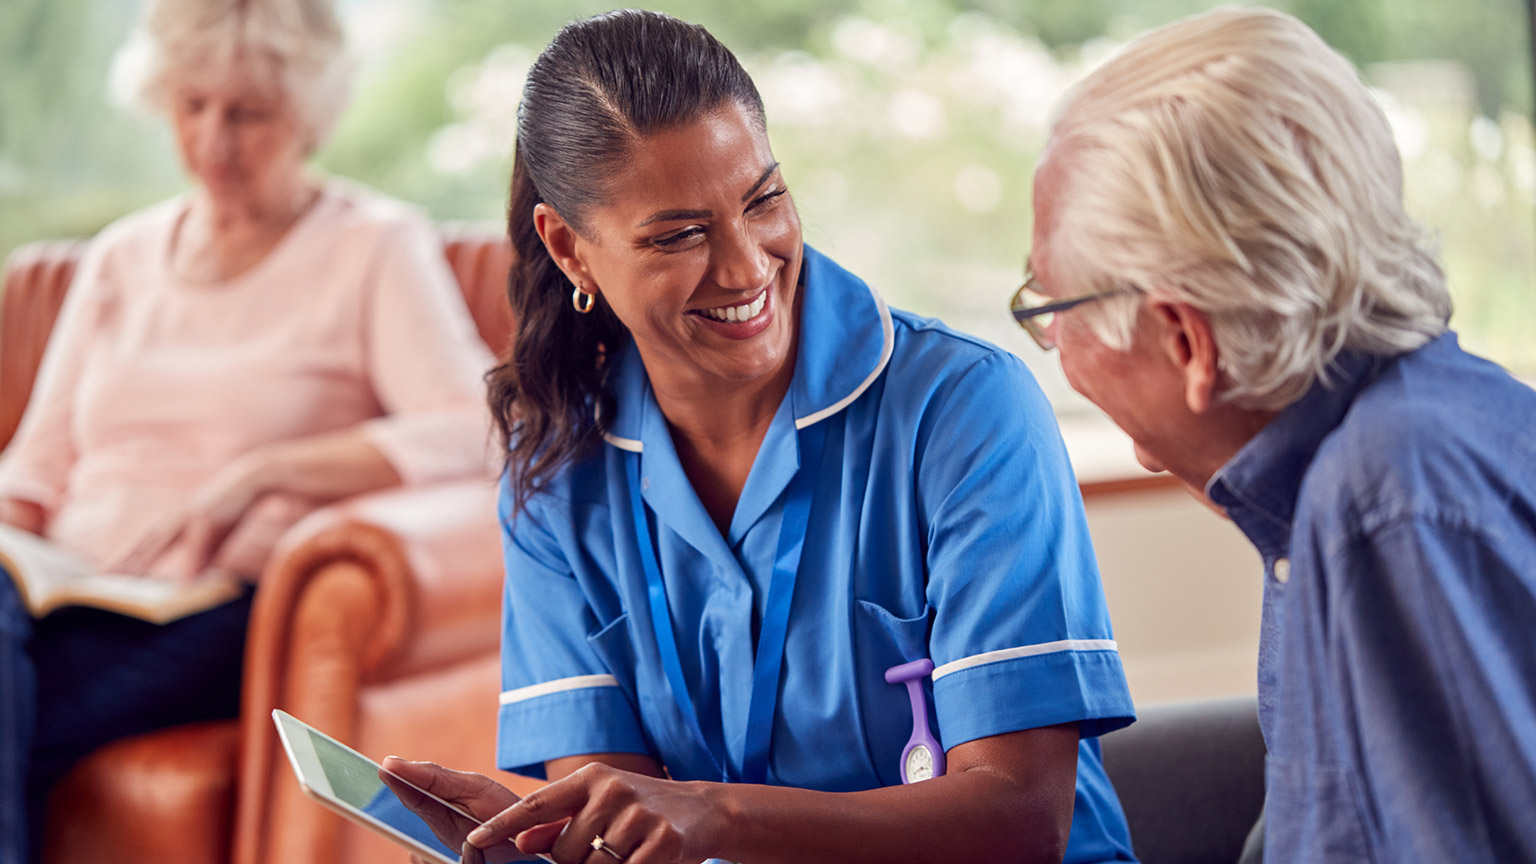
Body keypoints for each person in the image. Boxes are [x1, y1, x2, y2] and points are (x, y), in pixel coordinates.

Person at [386, 9, 1139, 864]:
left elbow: (1022, 819)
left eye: (763, 200)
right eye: (679, 235)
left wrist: (720, 816)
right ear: (571, 250)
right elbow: (622, 838)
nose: (747, 266)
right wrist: (541, 843)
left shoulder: (966, 410)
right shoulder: (557, 475)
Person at [1012, 7, 1536, 862]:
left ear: (1188, 343)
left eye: (1050, 305)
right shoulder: (1376, 456)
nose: (1051, 343)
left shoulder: (1384, 500)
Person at [0, 0, 494, 858]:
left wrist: (269, 474)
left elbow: (473, 431)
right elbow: (35, 470)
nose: (215, 139)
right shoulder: (120, 257)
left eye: (248, 113)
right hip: (66, 594)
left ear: (307, 116)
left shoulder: (374, 247)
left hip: (219, 605)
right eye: (193, 107)